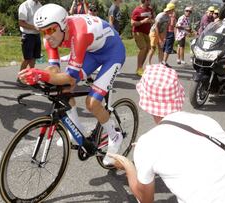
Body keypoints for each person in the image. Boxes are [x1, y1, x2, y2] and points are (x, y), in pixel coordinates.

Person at [108, 64, 225, 203]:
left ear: (146, 102)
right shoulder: (208, 122)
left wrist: (128, 166)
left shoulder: (149, 143)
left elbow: (145, 199)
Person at [18, 4, 126, 165]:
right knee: (65, 90)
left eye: (50, 30)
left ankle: (114, 136)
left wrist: (40, 74)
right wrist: (40, 76)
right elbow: (54, 68)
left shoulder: (79, 33)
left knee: (92, 103)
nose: (46, 36)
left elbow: (69, 77)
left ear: (63, 25)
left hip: (113, 53)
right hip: (91, 52)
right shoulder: (50, 38)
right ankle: (77, 130)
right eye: (43, 31)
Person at [17, 0, 42, 86]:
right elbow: (21, 23)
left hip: (37, 35)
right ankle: (20, 78)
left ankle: (31, 77)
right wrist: (34, 27)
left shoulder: (39, 5)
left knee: (34, 58)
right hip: (28, 35)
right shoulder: (25, 5)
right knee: (27, 58)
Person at [131, 0, 154, 76]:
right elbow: (132, 23)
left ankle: (140, 68)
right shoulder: (137, 10)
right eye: (149, 0)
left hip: (146, 32)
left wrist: (150, 21)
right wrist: (143, 21)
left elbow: (153, 20)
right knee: (143, 48)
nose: (150, 1)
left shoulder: (150, 9)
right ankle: (138, 68)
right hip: (137, 32)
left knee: (147, 49)